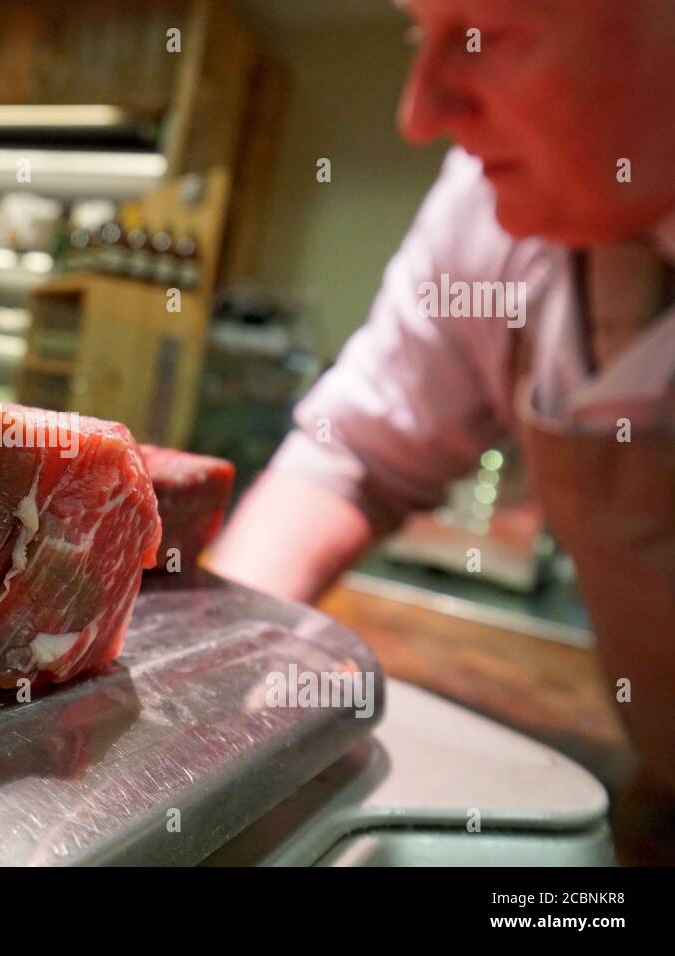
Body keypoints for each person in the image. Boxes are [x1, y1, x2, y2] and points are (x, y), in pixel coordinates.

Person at [207, 0, 675, 859]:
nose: (419, 115)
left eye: (486, 38)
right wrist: (197, 675)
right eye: (422, 36)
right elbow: (359, 449)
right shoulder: (490, 203)